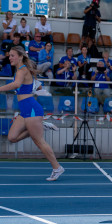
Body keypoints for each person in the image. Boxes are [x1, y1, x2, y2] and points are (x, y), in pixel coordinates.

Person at [0, 46, 64, 181]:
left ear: (21, 56)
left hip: (32, 109)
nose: (10, 57)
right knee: (12, 137)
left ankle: (57, 168)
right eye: (9, 55)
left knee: (39, 141)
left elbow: (16, 85)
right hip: (25, 111)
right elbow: (37, 86)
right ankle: (41, 125)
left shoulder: (22, 70)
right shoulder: (21, 70)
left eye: (12, 55)